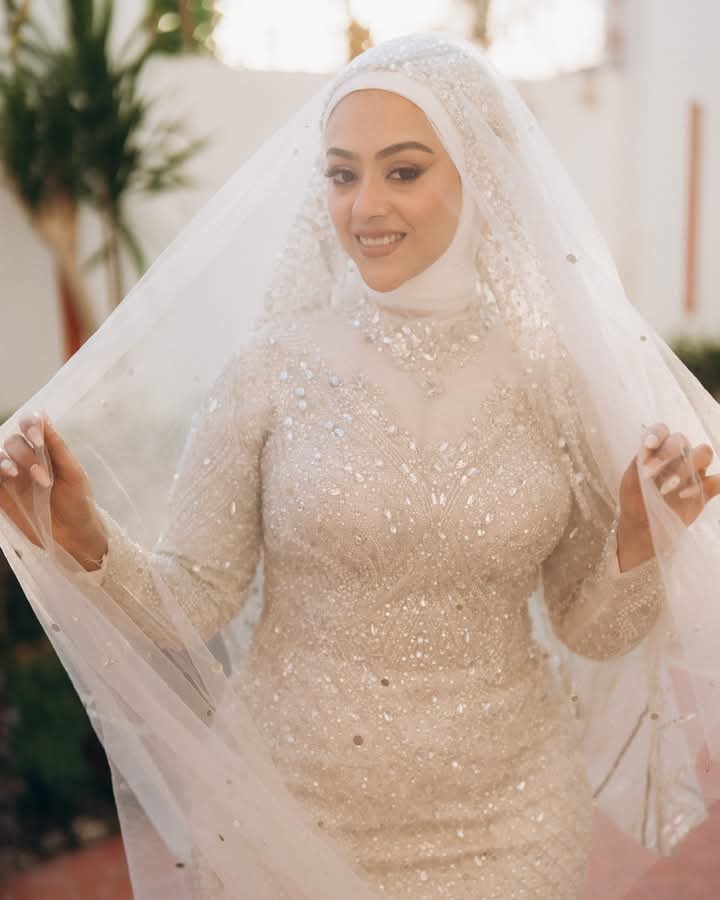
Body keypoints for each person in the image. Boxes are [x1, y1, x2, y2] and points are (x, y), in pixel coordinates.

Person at [1, 33, 719, 900]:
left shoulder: (554, 382)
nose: (365, 206)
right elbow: (192, 602)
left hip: (514, 820)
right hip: (287, 814)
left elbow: (587, 631)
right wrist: (84, 537)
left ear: (481, 174)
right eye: (341, 175)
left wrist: (641, 539)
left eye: (403, 171)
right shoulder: (269, 370)